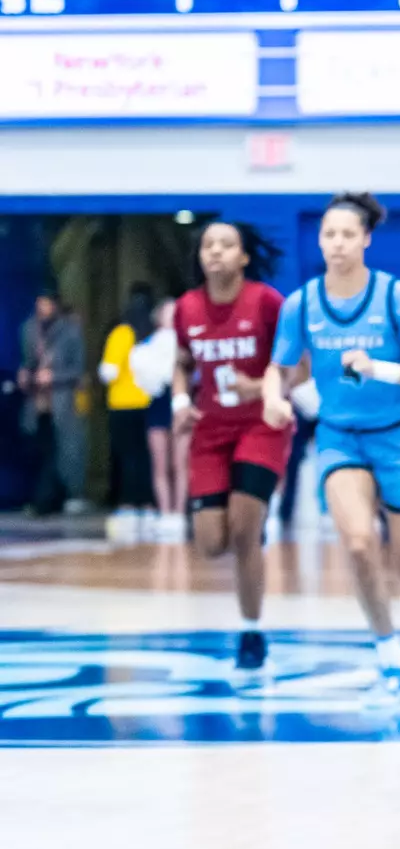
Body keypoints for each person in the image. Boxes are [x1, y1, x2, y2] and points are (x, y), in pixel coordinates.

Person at [262, 192, 400, 703]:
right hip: (339, 438)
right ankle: (389, 654)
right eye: (329, 234)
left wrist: (380, 368)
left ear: (366, 240)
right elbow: (281, 366)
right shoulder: (302, 303)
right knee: (356, 542)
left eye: (348, 234)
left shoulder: (396, 297)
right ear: (320, 240)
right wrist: (272, 398)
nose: (337, 243)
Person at [172, 220, 292, 673]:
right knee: (210, 542)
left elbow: (297, 366)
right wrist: (182, 401)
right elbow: (182, 363)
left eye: (226, 245)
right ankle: (247, 526)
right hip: (210, 432)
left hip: (262, 425)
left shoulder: (266, 302)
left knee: (244, 529)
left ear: (243, 256)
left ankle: (251, 630)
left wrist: (261, 387)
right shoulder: (187, 307)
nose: (215, 252)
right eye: (208, 245)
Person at [19, 292, 87, 516]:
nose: (43, 308)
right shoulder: (30, 330)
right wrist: (26, 375)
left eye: (47, 303)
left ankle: (56, 498)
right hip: (37, 403)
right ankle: (45, 498)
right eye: (39, 303)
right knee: (41, 451)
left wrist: (54, 377)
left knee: (64, 451)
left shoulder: (69, 331)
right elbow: (29, 362)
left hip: (61, 401)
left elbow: (77, 370)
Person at [100, 284, 158, 537]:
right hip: (148, 404)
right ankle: (148, 504)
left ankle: (127, 505)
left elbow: (108, 371)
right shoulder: (154, 333)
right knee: (146, 457)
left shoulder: (121, 333)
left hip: (122, 405)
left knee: (126, 457)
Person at [134, 299, 187, 536]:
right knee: (160, 463)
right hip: (158, 405)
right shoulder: (147, 346)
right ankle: (165, 512)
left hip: (181, 404)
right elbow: (142, 378)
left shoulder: (187, 345)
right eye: (168, 314)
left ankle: (179, 512)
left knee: (181, 462)